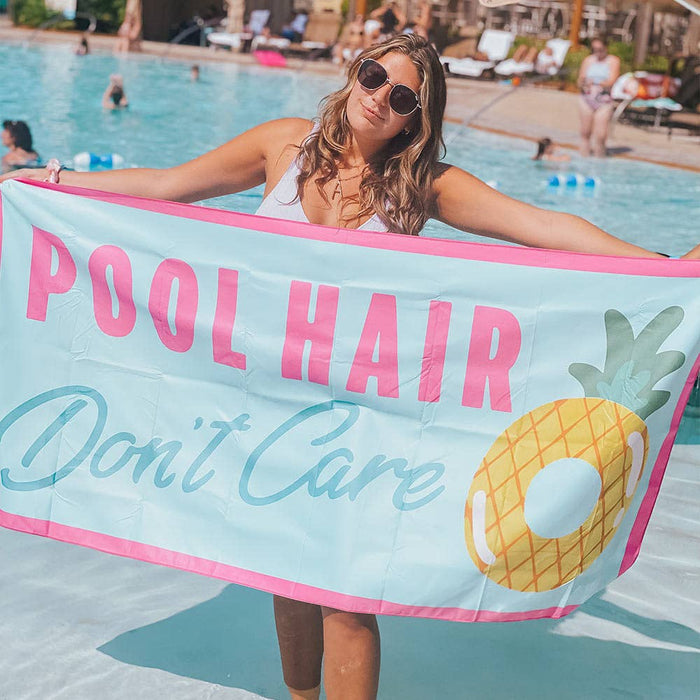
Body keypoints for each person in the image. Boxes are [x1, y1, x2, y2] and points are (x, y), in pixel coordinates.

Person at [2, 34, 698, 699]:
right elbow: (164, 186)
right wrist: (55, 181)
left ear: (414, 121)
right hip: (264, 405)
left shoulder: (420, 185)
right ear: (353, 73)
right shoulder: (281, 145)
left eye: (402, 98)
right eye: (374, 77)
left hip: (361, 421)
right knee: (287, 573)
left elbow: (543, 227)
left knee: (346, 599)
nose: (380, 98)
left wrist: (662, 270)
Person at [577, 36, 620, 157]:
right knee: (585, 132)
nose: (597, 52)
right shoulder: (588, 60)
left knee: (601, 135)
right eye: (595, 49)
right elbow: (580, 79)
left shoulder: (613, 61)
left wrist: (597, 82)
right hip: (587, 98)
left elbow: (612, 80)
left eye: (600, 49)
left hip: (604, 99)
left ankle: (599, 159)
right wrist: (584, 83)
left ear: (606, 47)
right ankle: (583, 157)